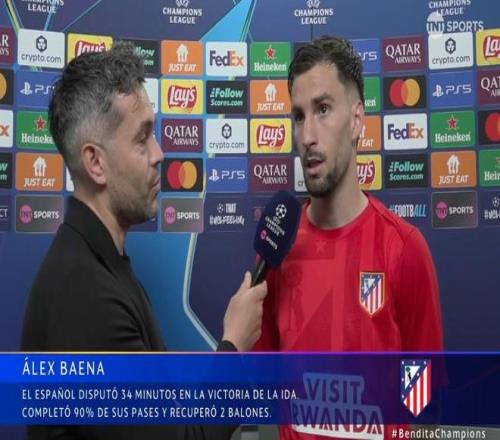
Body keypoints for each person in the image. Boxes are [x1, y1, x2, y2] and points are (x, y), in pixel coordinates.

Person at [21, 42, 267, 440]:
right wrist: (235, 346)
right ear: (95, 162)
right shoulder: (86, 296)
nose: (159, 154)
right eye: (142, 138)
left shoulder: (101, 265)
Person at [254, 36, 443, 438]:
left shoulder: (404, 249)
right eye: (299, 116)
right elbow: (261, 386)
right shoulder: (276, 251)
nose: (308, 135)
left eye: (323, 109)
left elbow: (424, 408)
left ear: (357, 120)